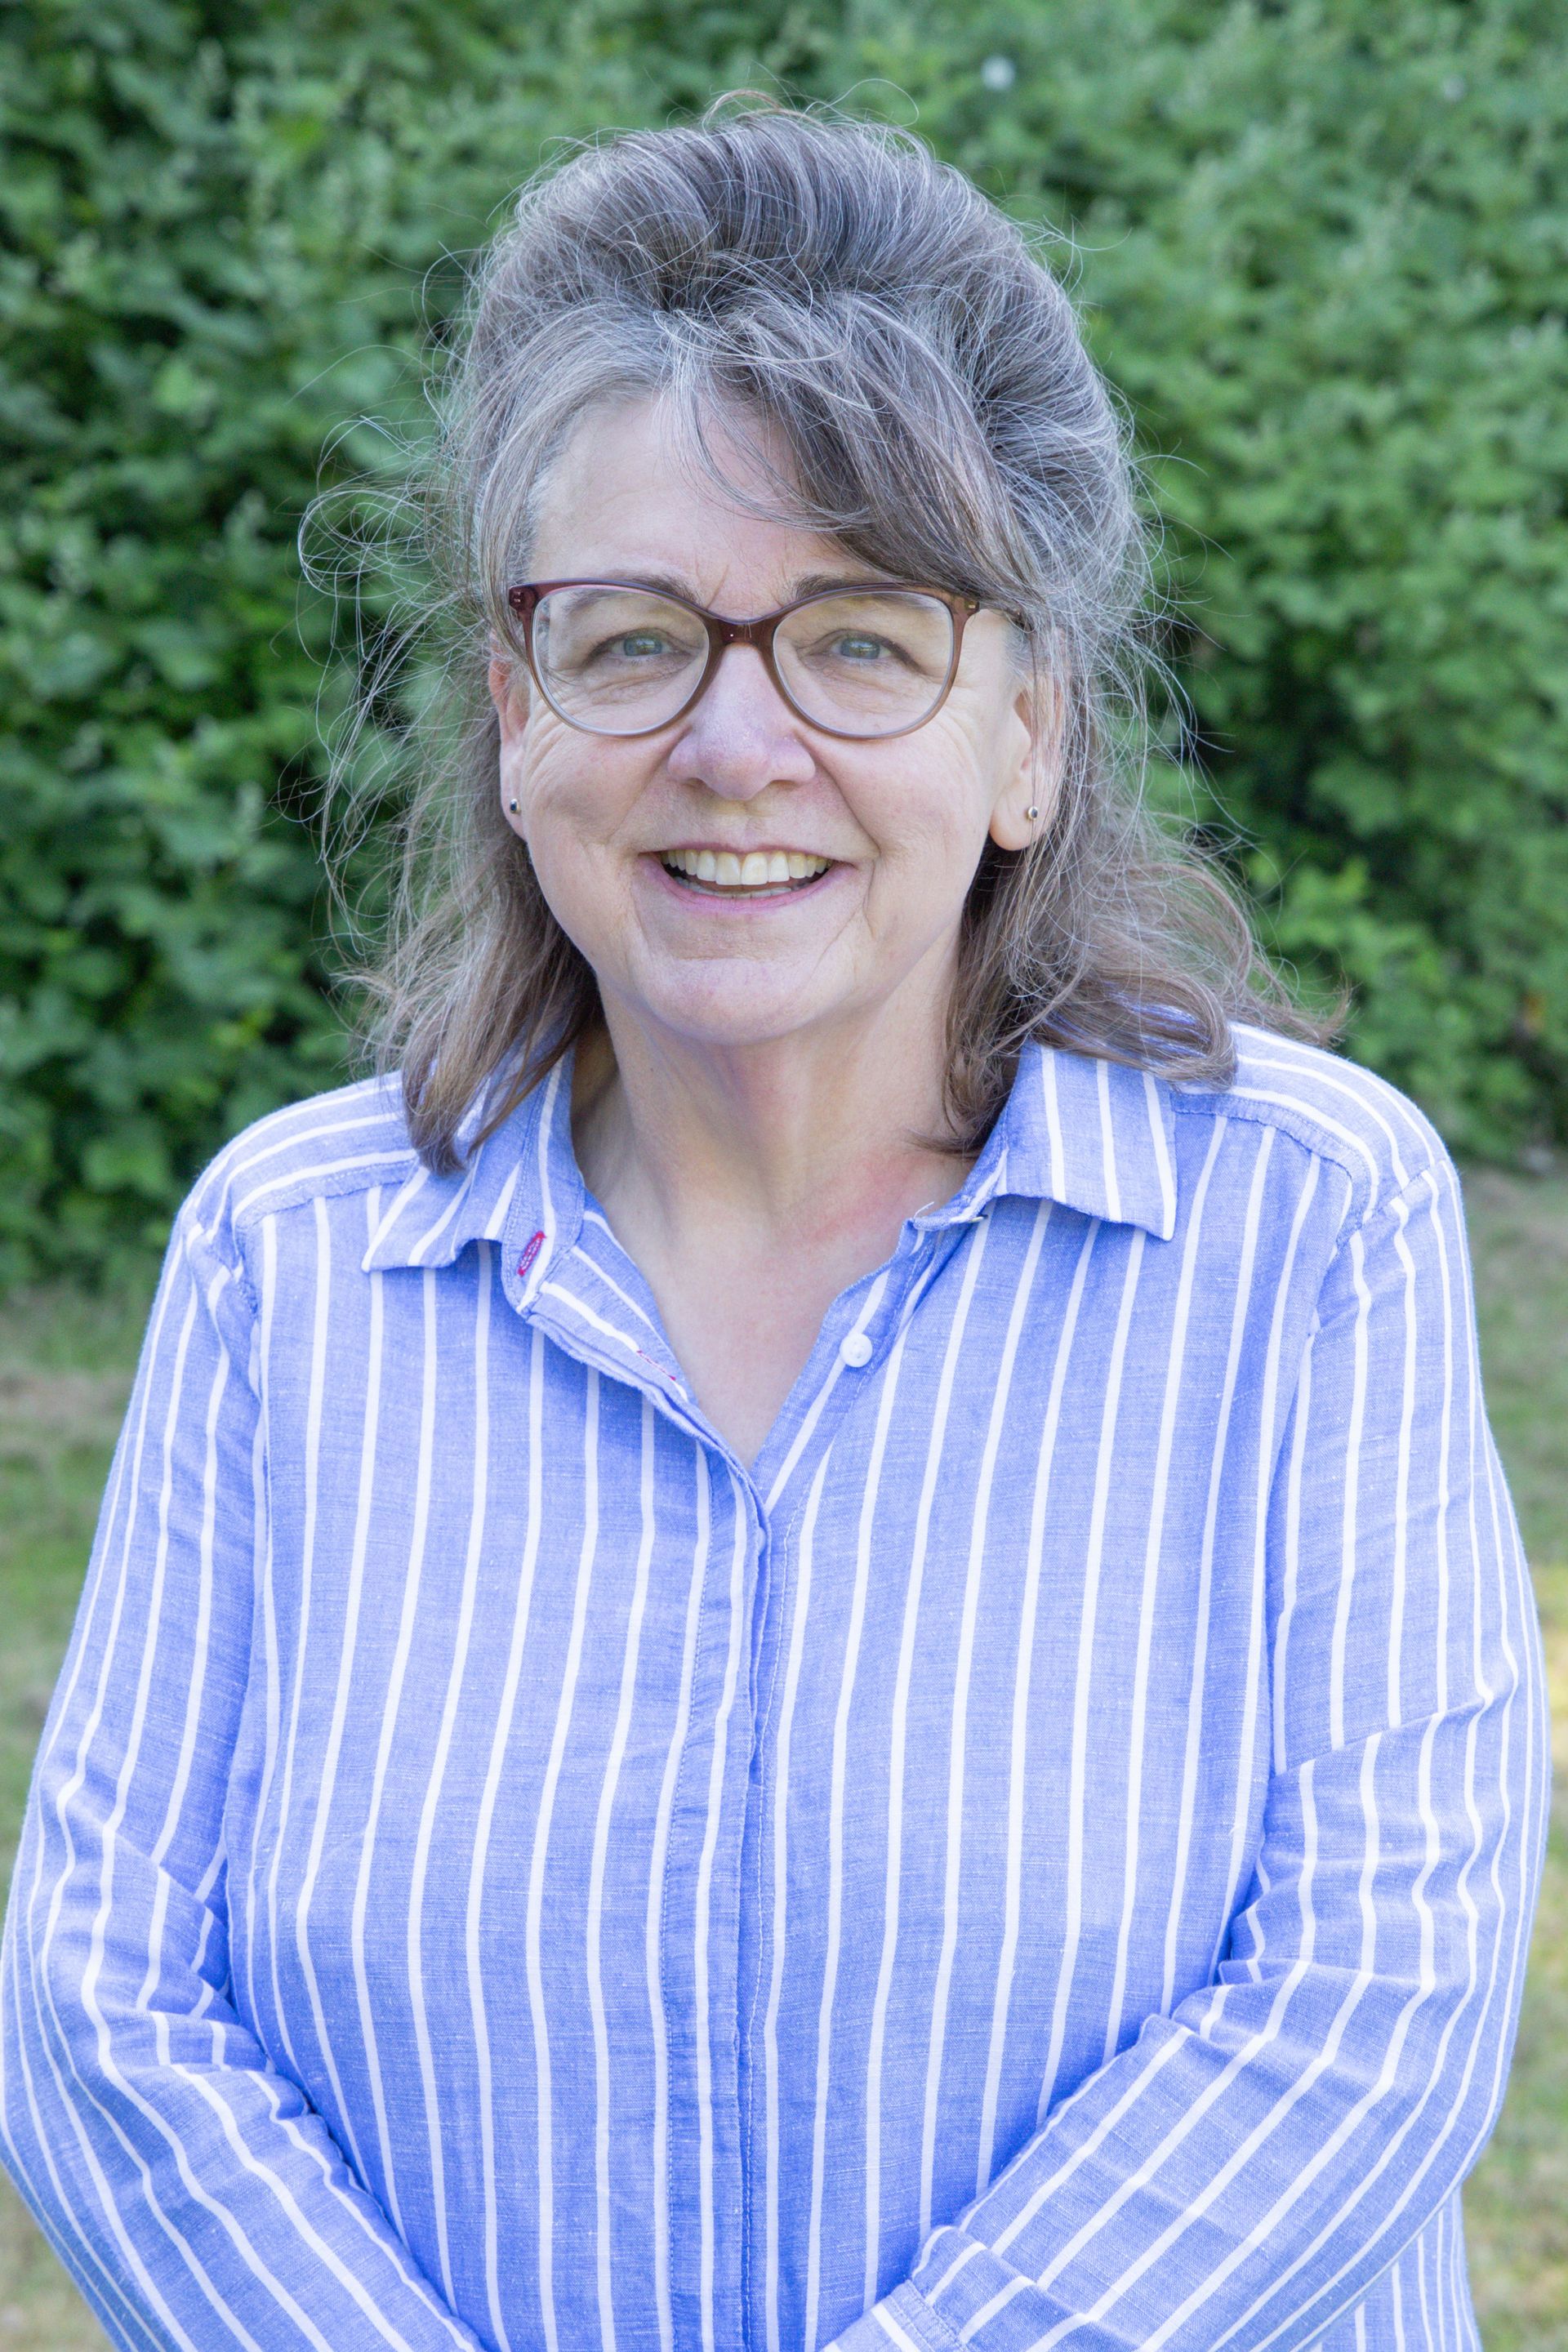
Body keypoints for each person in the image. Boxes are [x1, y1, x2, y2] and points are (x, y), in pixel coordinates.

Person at [1, 100, 1546, 2352]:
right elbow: (105, 2006)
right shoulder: (284, 1264)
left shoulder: (1312, 1232)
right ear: (516, 714)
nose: (737, 746)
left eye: (861, 640)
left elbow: (1371, 2000)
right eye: (633, 640)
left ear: (1028, 737)